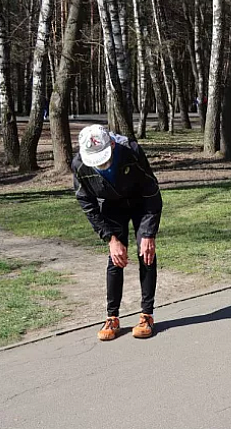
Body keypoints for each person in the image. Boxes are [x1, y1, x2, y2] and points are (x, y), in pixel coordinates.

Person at [72, 124, 163, 341]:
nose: (101, 165)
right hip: (111, 206)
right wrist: (110, 238)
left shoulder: (131, 150)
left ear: (112, 145)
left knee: (146, 254)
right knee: (115, 258)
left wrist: (148, 233)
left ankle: (146, 315)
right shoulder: (79, 165)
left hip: (141, 203)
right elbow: (87, 203)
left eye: (104, 158)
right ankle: (112, 317)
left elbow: (152, 193)